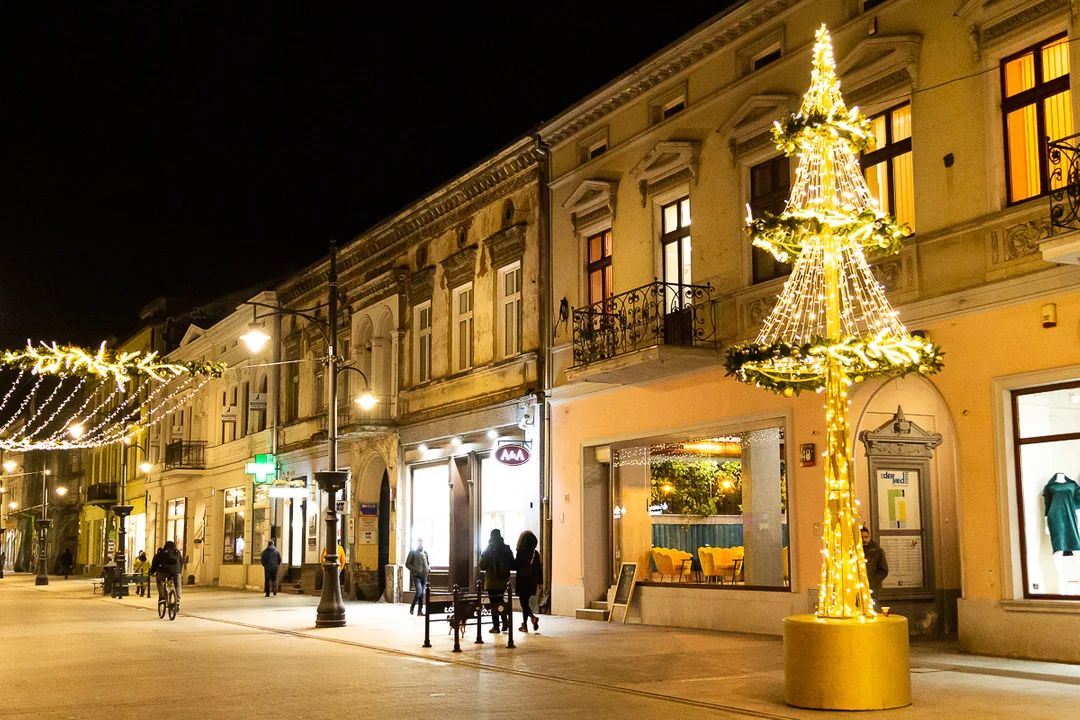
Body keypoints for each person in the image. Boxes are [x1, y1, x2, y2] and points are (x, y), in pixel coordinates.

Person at [479, 529, 514, 633]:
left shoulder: (488, 549)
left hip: (491, 581)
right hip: (503, 580)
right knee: (500, 600)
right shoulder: (506, 548)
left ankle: (496, 626)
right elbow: (512, 563)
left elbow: (483, 566)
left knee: (494, 603)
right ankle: (504, 621)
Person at [515, 530, 543, 633]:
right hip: (532, 582)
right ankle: (524, 625)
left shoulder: (520, 552)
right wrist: (540, 582)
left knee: (524, 604)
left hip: (522, 580)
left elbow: (516, 565)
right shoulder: (536, 553)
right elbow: (539, 569)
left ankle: (532, 618)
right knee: (525, 603)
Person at [861, 526, 889, 609]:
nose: (864, 540)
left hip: (872, 589)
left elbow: (883, 570)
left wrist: (871, 582)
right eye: (862, 537)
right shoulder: (856, 551)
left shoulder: (876, 551)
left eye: (866, 537)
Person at [405, 538, 430, 616]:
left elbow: (428, 562)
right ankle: (412, 607)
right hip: (416, 576)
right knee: (419, 591)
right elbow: (407, 564)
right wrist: (415, 570)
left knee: (422, 594)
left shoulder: (425, 552)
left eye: (422, 541)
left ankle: (420, 611)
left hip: (424, 576)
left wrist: (429, 569)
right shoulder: (412, 552)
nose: (421, 543)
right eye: (419, 541)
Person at [156, 540, 183, 605]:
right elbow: (181, 562)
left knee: (159, 581)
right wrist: (179, 570)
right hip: (176, 571)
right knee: (178, 585)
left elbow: (156, 562)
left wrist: (153, 571)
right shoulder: (177, 552)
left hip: (164, 571)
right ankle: (178, 601)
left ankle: (162, 597)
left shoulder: (162, 552)